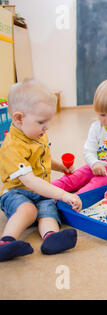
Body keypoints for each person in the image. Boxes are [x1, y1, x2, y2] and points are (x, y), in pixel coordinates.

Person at [0, 79, 82, 262]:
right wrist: (62, 194)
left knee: (48, 209)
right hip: (16, 192)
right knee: (29, 210)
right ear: (19, 118)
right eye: (41, 122)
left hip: (39, 189)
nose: (47, 127)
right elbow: (29, 180)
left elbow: (40, 160)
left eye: (48, 121)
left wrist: (60, 167)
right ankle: (6, 242)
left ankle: (51, 237)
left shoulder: (37, 134)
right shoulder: (11, 147)